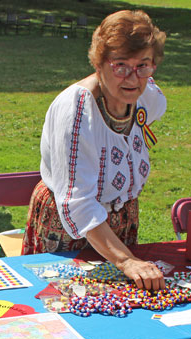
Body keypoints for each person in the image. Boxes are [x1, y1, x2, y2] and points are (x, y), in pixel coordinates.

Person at [21, 10, 167, 291]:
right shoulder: (77, 110)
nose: (132, 78)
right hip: (69, 231)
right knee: (70, 314)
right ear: (99, 64)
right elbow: (79, 203)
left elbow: (154, 107)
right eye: (120, 65)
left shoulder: (146, 94)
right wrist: (125, 260)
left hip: (120, 226)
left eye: (143, 66)